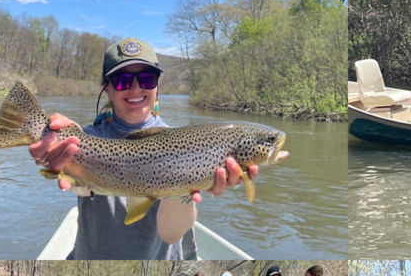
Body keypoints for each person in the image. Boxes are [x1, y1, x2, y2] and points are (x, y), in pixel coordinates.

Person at [27, 37, 259, 260]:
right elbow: (80, 188)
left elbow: (171, 235)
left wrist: (188, 187)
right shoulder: (86, 140)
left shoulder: (185, 143)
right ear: (106, 88)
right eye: (122, 80)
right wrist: (55, 149)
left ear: (157, 85)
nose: (136, 88)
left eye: (147, 78)